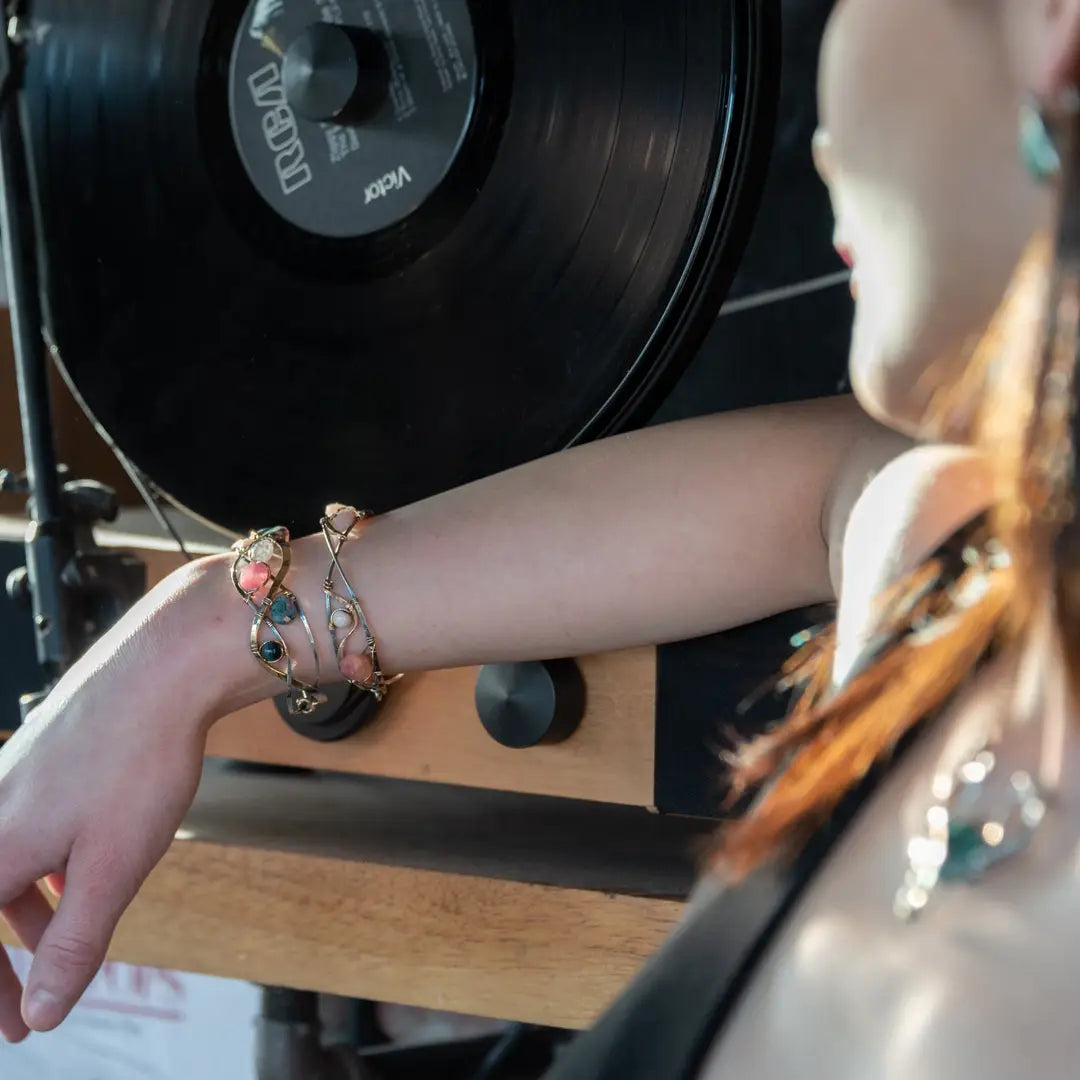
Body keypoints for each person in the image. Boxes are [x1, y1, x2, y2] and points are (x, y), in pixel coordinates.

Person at [0, 1, 1076, 1075]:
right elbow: (814, 484)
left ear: (1054, 28)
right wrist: (190, 638)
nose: (823, 145)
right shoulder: (950, 548)